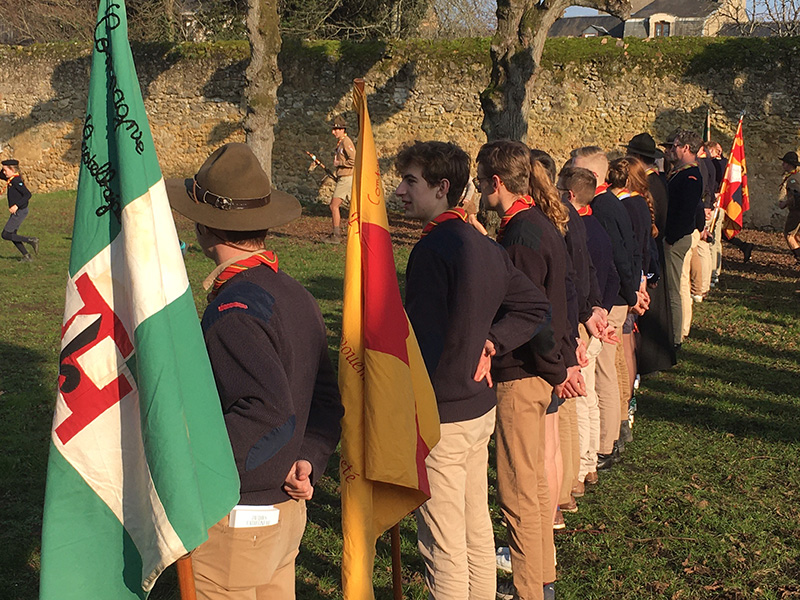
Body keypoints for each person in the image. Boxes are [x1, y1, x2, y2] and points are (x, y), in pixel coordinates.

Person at [165, 143, 344, 599]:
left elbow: (265, 410)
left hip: (236, 515)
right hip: (284, 514)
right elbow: (325, 396)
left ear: (205, 228)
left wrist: (191, 469)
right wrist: (305, 457)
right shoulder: (295, 292)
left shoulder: (235, 308)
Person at [397, 140, 551, 600]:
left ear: (443, 188)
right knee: (473, 525)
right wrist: (490, 339)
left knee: (443, 539)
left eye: (410, 181)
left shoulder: (435, 252)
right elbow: (532, 305)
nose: (400, 190)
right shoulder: (483, 243)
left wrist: (492, 339)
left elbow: (423, 346)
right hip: (477, 407)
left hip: (442, 413)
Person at [475, 140, 574, 600]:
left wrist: (555, 364)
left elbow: (535, 312)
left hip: (521, 374)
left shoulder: (522, 235)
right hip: (537, 371)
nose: (476, 186)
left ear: (497, 182)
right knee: (533, 487)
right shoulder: (534, 224)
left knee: (517, 494)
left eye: (479, 178)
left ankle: (528, 589)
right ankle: (542, 578)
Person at [570, 147, 643, 470]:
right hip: (611, 298)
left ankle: (604, 443)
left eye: (576, 171)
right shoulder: (607, 204)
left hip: (608, 301)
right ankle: (609, 437)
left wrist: (626, 297)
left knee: (603, 374)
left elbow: (617, 259)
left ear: (593, 177)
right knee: (607, 371)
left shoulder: (601, 208)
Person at [558, 166, 620, 488]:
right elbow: (606, 273)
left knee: (581, 399)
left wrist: (593, 313)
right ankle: (591, 461)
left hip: (583, 322)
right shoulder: (594, 226)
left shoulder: (576, 227)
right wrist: (601, 308)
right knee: (590, 396)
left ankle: (581, 469)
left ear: (568, 196)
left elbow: (585, 275)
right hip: (593, 315)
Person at [624, 133, 676, 375]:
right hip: (654, 247)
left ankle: (651, 360)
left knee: (651, 311)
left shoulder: (649, 184)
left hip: (650, 251)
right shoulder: (656, 181)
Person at [661, 131, 704, 350]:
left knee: (675, 288)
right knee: (679, 285)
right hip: (677, 236)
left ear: (686, 148)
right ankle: (679, 331)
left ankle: (676, 337)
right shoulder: (682, 173)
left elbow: (685, 211)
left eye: (676, 145)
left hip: (677, 238)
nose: (673, 149)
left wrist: (671, 237)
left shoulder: (690, 176)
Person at [324, 115, 356, 243]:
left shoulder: (346, 142)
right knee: (354, 207)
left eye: (336, 129)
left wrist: (340, 164)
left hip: (347, 178)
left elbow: (353, 160)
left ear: (342, 129)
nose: (333, 132)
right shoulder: (341, 142)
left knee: (333, 206)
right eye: (333, 129)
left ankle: (336, 236)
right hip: (344, 177)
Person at [1, 159, 38, 262]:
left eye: (5, 170)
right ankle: (26, 256)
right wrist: (3, 165)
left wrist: (16, 206)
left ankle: (31, 240)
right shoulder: (11, 178)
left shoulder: (16, 181)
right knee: (13, 235)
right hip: (18, 212)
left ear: (12, 169)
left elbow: (28, 194)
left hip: (20, 211)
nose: (4, 172)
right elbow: (1, 175)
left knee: (6, 234)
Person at [778, 151, 800, 264]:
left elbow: (796, 196)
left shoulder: (793, 180)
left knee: (789, 234)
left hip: (796, 211)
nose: (783, 165)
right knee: (797, 235)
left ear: (789, 164)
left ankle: (798, 256)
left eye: (784, 163)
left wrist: (785, 203)